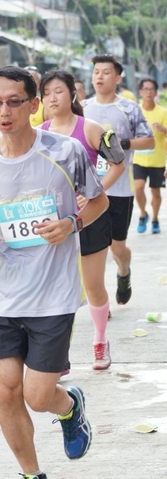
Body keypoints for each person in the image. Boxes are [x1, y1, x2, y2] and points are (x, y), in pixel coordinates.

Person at [0, 65, 109, 479]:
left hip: (54, 295)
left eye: (14, 102)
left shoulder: (65, 152)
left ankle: (69, 407)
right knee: (6, 390)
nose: (4, 112)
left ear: (34, 104)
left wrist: (71, 223)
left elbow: (98, 200)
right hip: (2, 295)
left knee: (37, 395)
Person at [40, 70, 125, 370]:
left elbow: (118, 163)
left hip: (89, 218)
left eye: (58, 91)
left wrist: (94, 193)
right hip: (53, 222)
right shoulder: (39, 133)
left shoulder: (89, 128)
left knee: (92, 286)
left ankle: (100, 341)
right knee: (57, 290)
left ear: (72, 94)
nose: (52, 97)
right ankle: (57, 358)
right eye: (46, 92)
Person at [84, 54, 154, 305]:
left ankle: (124, 272)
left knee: (117, 248)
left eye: (106, 72)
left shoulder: (129, 108)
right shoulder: (82, 107)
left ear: (117, 78)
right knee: (93, 251)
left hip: (120, 190)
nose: (100, 77)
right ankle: (100, 302)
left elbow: (149, 141)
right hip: (90, 191)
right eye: (96, 72)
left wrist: (120, 144)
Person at [133, 78, 167, 233]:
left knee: (156, 192)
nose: (149, 92)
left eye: (152, 89)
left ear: (156, 92)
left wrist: (163, 130)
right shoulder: (135, 110)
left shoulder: (163, 112)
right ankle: (143, 214)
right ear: (140, 92)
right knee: (138, 188)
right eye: (145, 89)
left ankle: (154, 219)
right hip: (138, 159)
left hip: (157, 160)